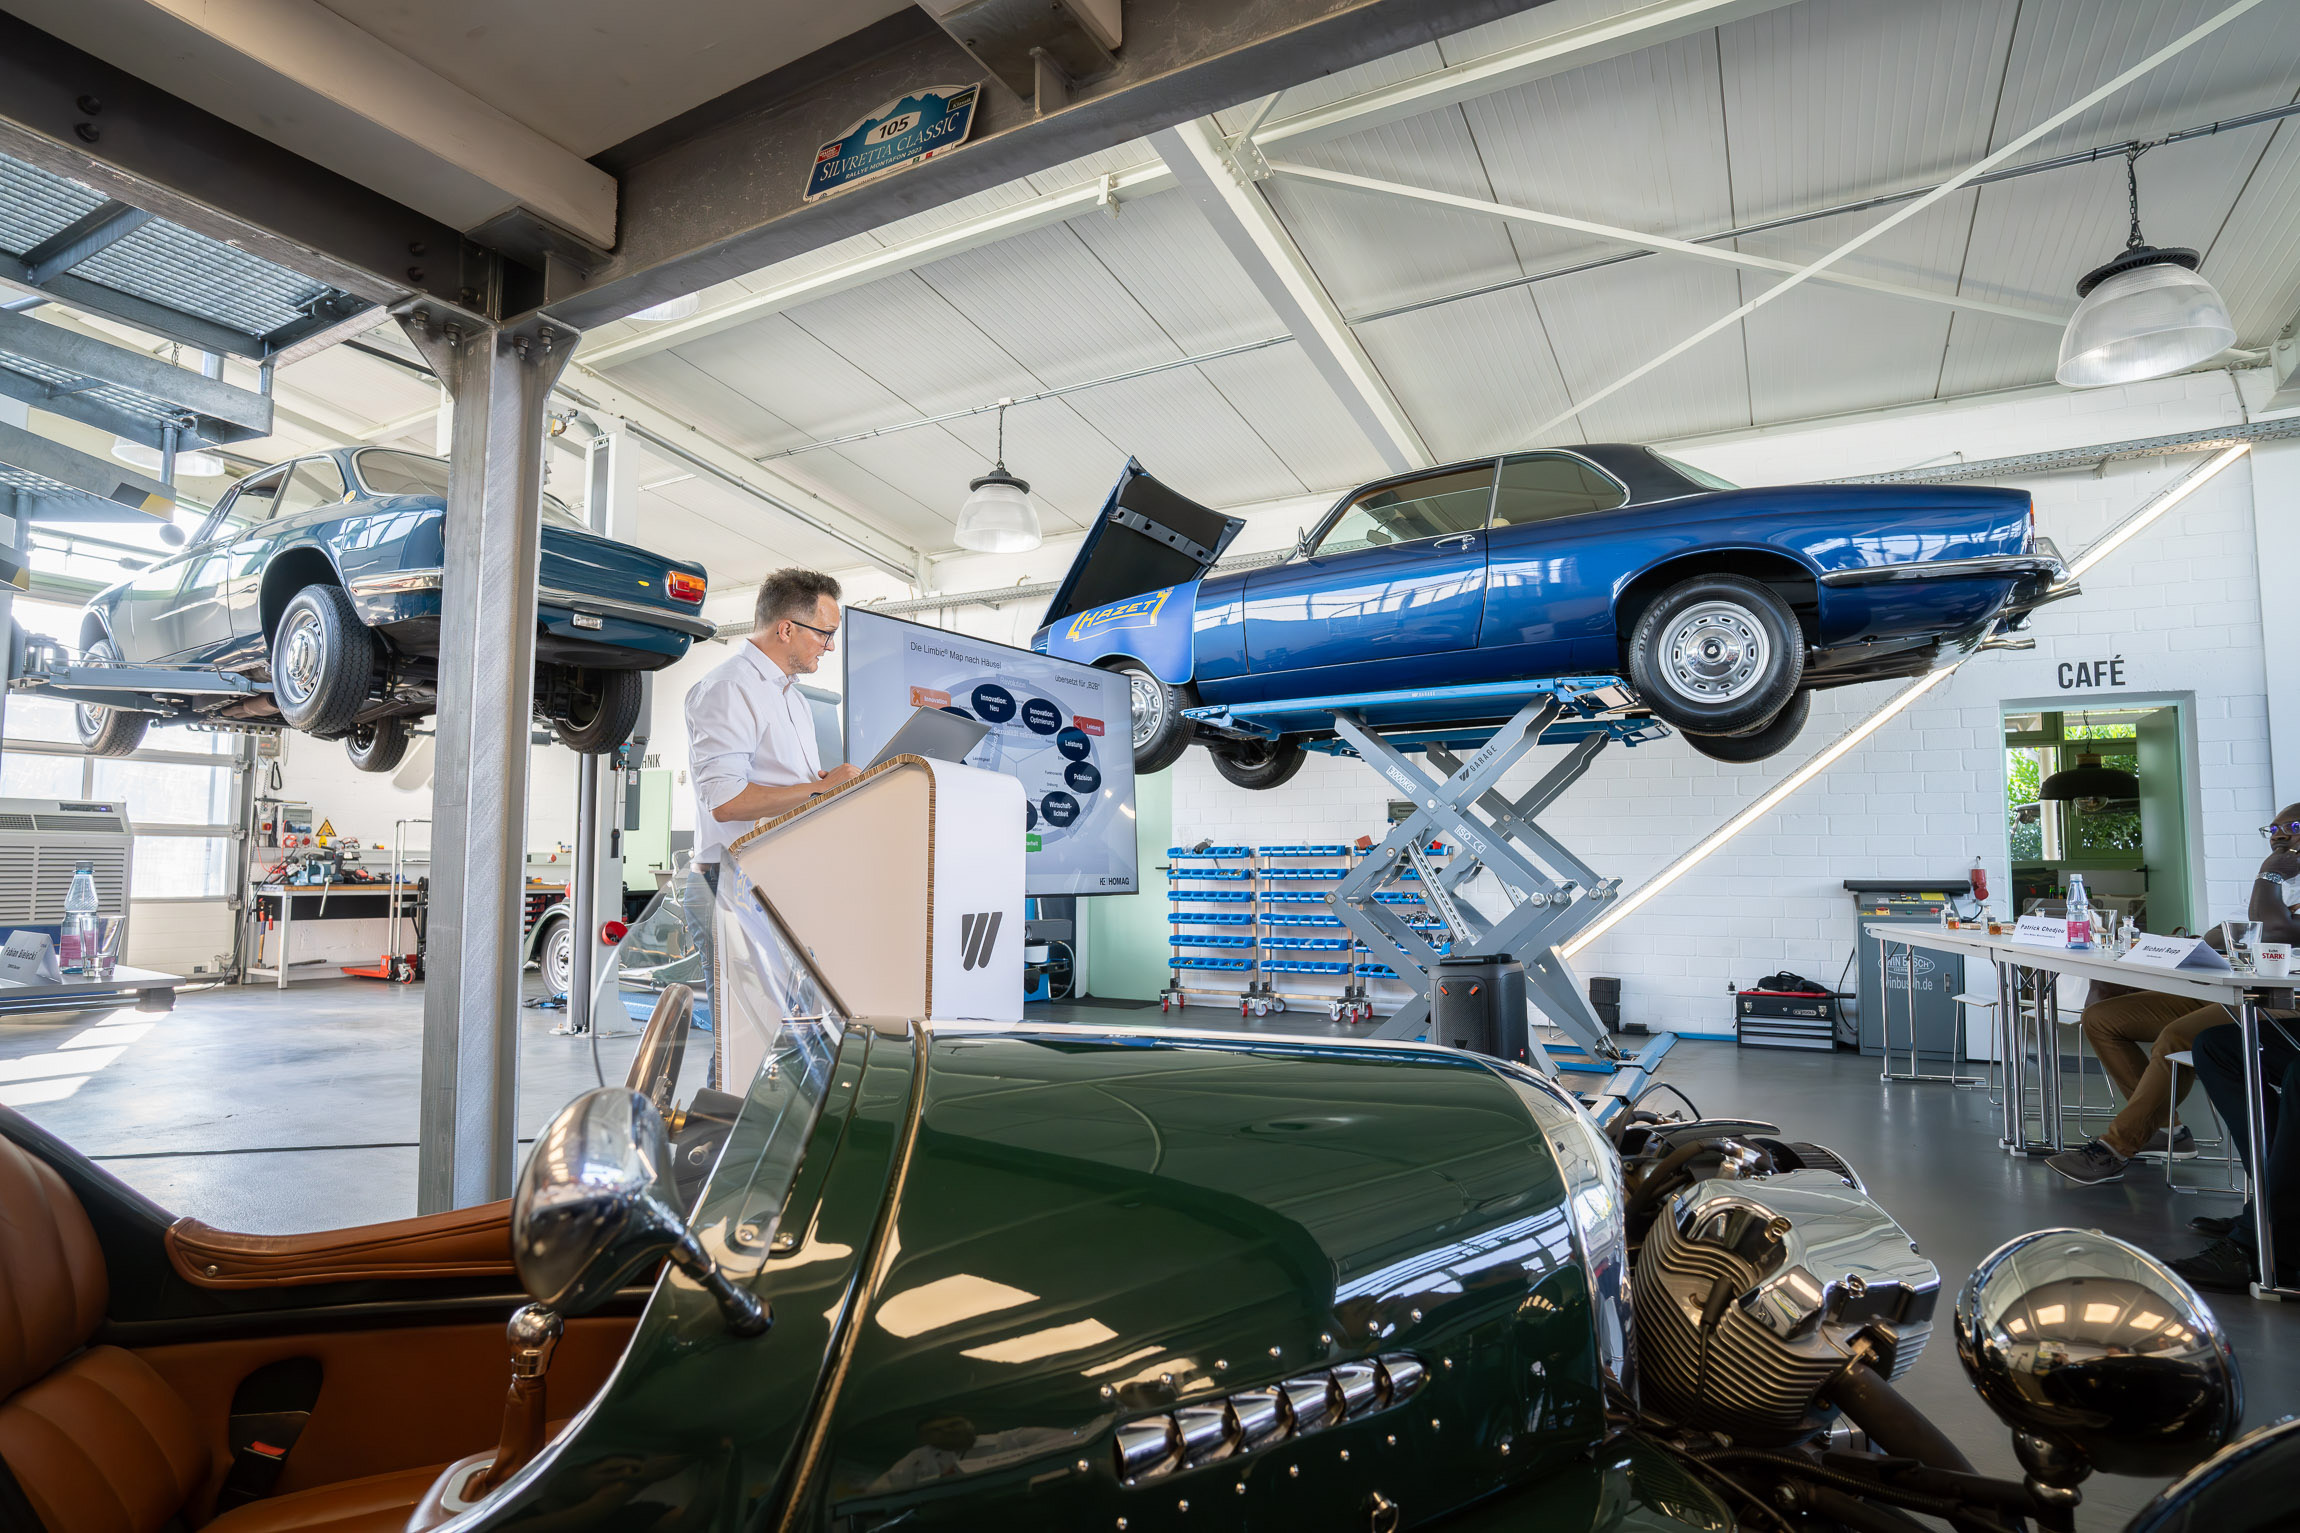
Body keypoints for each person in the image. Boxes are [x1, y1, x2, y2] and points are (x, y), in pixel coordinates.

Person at [2046, 805, 2300, 1187]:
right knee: (2102, 1018)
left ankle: (2115, 1148)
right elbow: (2221, 935)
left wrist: (2268, 876)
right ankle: (2166, 1131)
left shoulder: (2273, 881)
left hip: (2276, 1004)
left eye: (2293, 828)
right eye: (2274, 829)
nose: (2279, 836)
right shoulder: (2281, 886)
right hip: (2228, 989)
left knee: (2180, 1035)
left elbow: (2276, 932)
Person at [685, 568, 862, 890]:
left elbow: (784, 785)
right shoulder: (728, 688)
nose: (830, 646)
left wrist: (815, 784)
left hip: (778, 874)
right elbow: (726, 804)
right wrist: (820, 790)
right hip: (730, 880)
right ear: (786, 630)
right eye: (825, 633)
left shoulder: (793, 698)